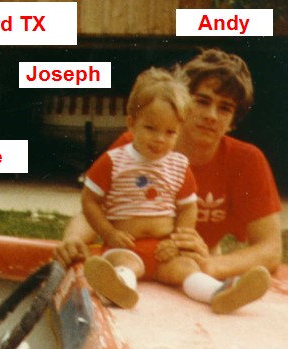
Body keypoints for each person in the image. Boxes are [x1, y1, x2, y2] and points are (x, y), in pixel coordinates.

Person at [55, 48, 282, 285]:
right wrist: (73, 239)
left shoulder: (246, 160)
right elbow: (97, 207)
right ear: (180, 102)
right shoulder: (137, 145)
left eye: (225, 108)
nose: (211, 115)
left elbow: (270, 248)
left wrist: (210, 266)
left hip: (190, 267)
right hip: (132, 258)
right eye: (202, 101)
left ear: (233, 121)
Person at [81, 67, 271, 313]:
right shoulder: (114, 160)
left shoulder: (179, 165)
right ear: (131, 123)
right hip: (126, 245)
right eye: (151, 128)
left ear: (179, 129)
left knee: (186, 269)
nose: (160, 139)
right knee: (125, 265)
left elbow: (187, 207)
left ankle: (220, 293)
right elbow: (90, 200)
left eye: (170, 132)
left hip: (164, 249)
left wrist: (179, 240)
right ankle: (118, 289)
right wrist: (107, 233)